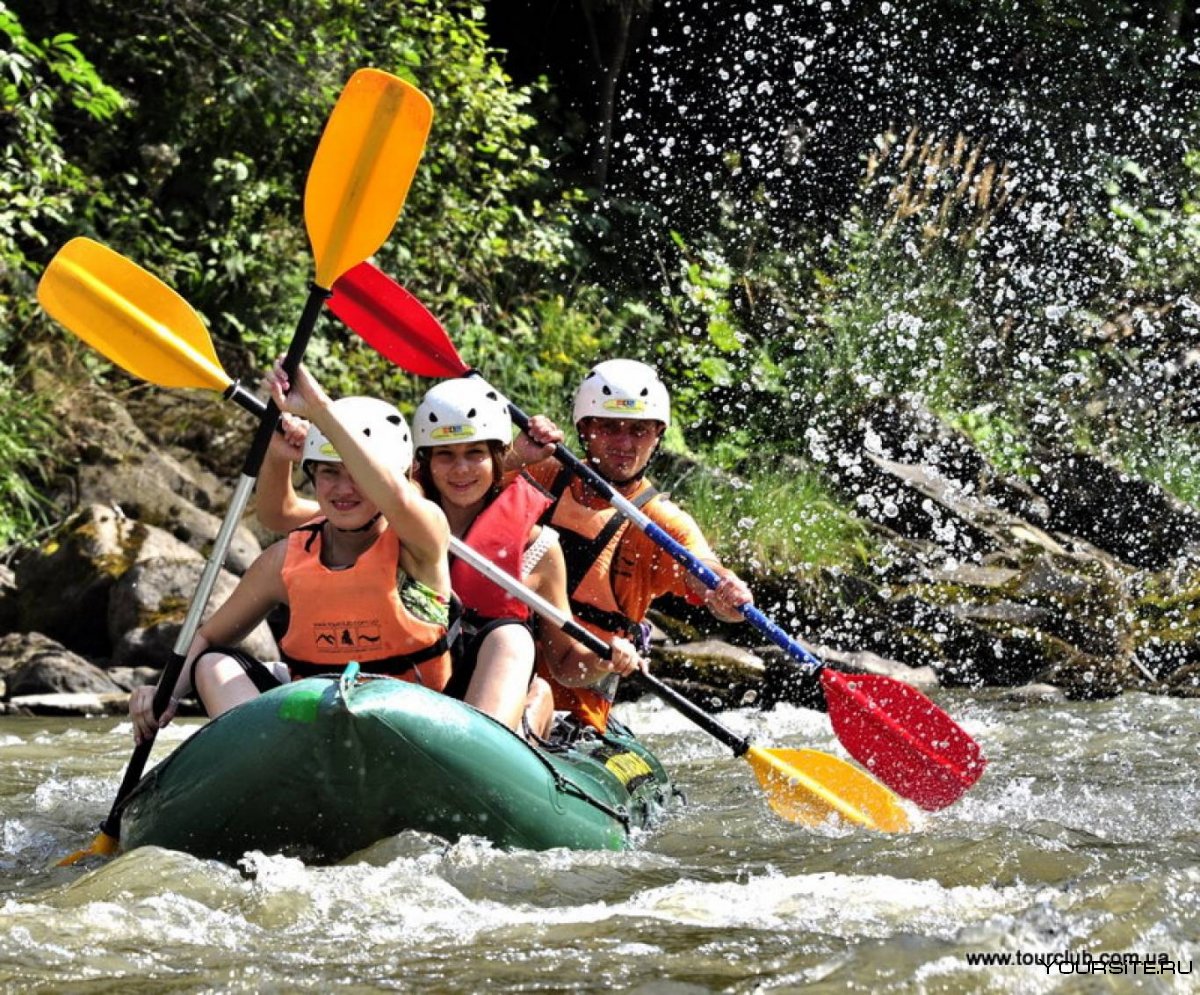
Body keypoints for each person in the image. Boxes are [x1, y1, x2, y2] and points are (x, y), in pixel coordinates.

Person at [256, 375, 644, 736]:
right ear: (423, 463)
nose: (460, 470)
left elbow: (564, 664)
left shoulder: (537, 548)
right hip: (405, 692)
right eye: (445, 455)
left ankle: (521, 729)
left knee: (522, 656)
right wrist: (278, 455)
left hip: (483, 704)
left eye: (474, 454)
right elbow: (280, 515)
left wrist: (603, 659)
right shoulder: (388, 514)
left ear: (498, 457)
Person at [129, 365, 452, 745]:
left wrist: (317, 409)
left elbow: (396, 498)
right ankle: (265, 766)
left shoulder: (420, 538)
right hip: (315, 738)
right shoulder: (285, 560)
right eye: (329, 473)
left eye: (357, 475)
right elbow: (207, 637)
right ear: (312, 475)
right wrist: (163, 692)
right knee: (213, 665)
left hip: (416, 731)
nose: (343, 488)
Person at [513, 358, 754, 734]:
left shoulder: (659, 523)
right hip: (500, 668)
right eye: (609, 428)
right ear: (585, 428)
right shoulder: (542, 472)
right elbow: (447, 493)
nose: (624, 444)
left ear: (658, 435)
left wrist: (725, 590)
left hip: (573, 711)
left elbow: (704, 573)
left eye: (639, 431)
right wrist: (514, 455)